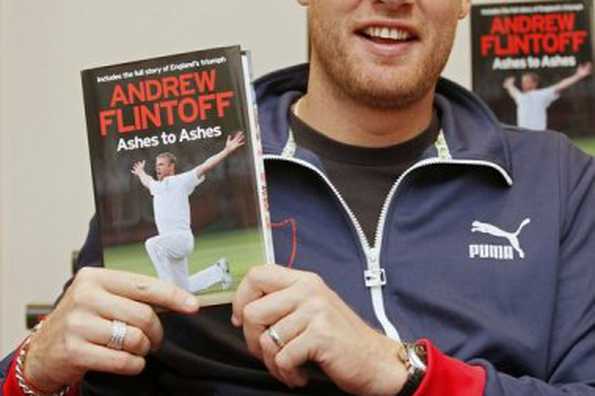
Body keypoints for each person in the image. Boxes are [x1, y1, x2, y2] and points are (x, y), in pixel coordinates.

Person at [2, 0, 595, 395]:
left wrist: (401, 371)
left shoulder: (561, 180)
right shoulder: (208, 161)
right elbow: (70, 367)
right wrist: (31, 372)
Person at [130, 131, 245, 294]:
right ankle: (218, 271)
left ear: (171, 167)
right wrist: (141, 172)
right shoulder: (156, 187)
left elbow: (206, 165)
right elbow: (147, 181)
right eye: (156, 165)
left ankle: (165, 289)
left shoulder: (181, 181)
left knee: (152, 244)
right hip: (169, 244)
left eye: (161, 164)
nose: (158, 168)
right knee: (184, 289)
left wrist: (226, 151)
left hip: (180, 239)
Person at [503, 62, 593, 130]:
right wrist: (509, 84)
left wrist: (578, 75)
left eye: (527, 81)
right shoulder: (520, 97)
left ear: (535, 83)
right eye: (523, 81)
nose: (523, 84)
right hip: (523, 135)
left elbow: (561, 85)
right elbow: (512, 90)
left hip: (539, 135)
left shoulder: (542, 94)